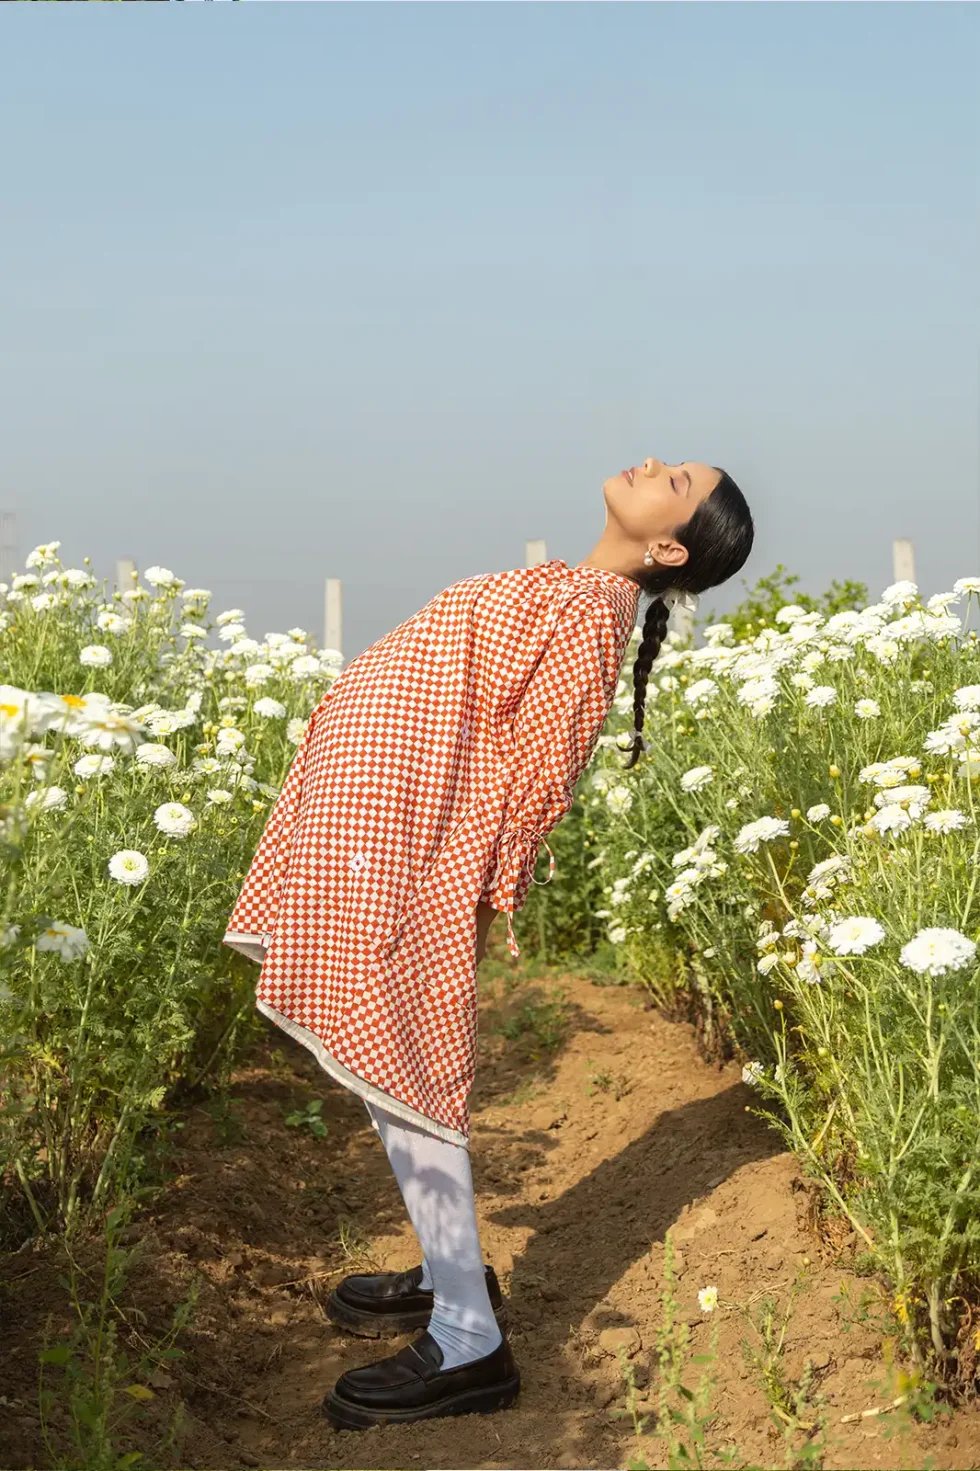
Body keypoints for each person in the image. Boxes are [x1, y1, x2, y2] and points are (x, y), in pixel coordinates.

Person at [222, 455, 753, 1429]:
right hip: (381, 830)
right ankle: (446, 1269)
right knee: (390, 1063)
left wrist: (477, 886)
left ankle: (468, 1340)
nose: (651, 461)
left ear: (667, 544)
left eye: (674, 478)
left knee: (408, 1069)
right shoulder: (570, 585)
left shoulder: (592, 614)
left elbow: (541, 767)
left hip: (420, 849)